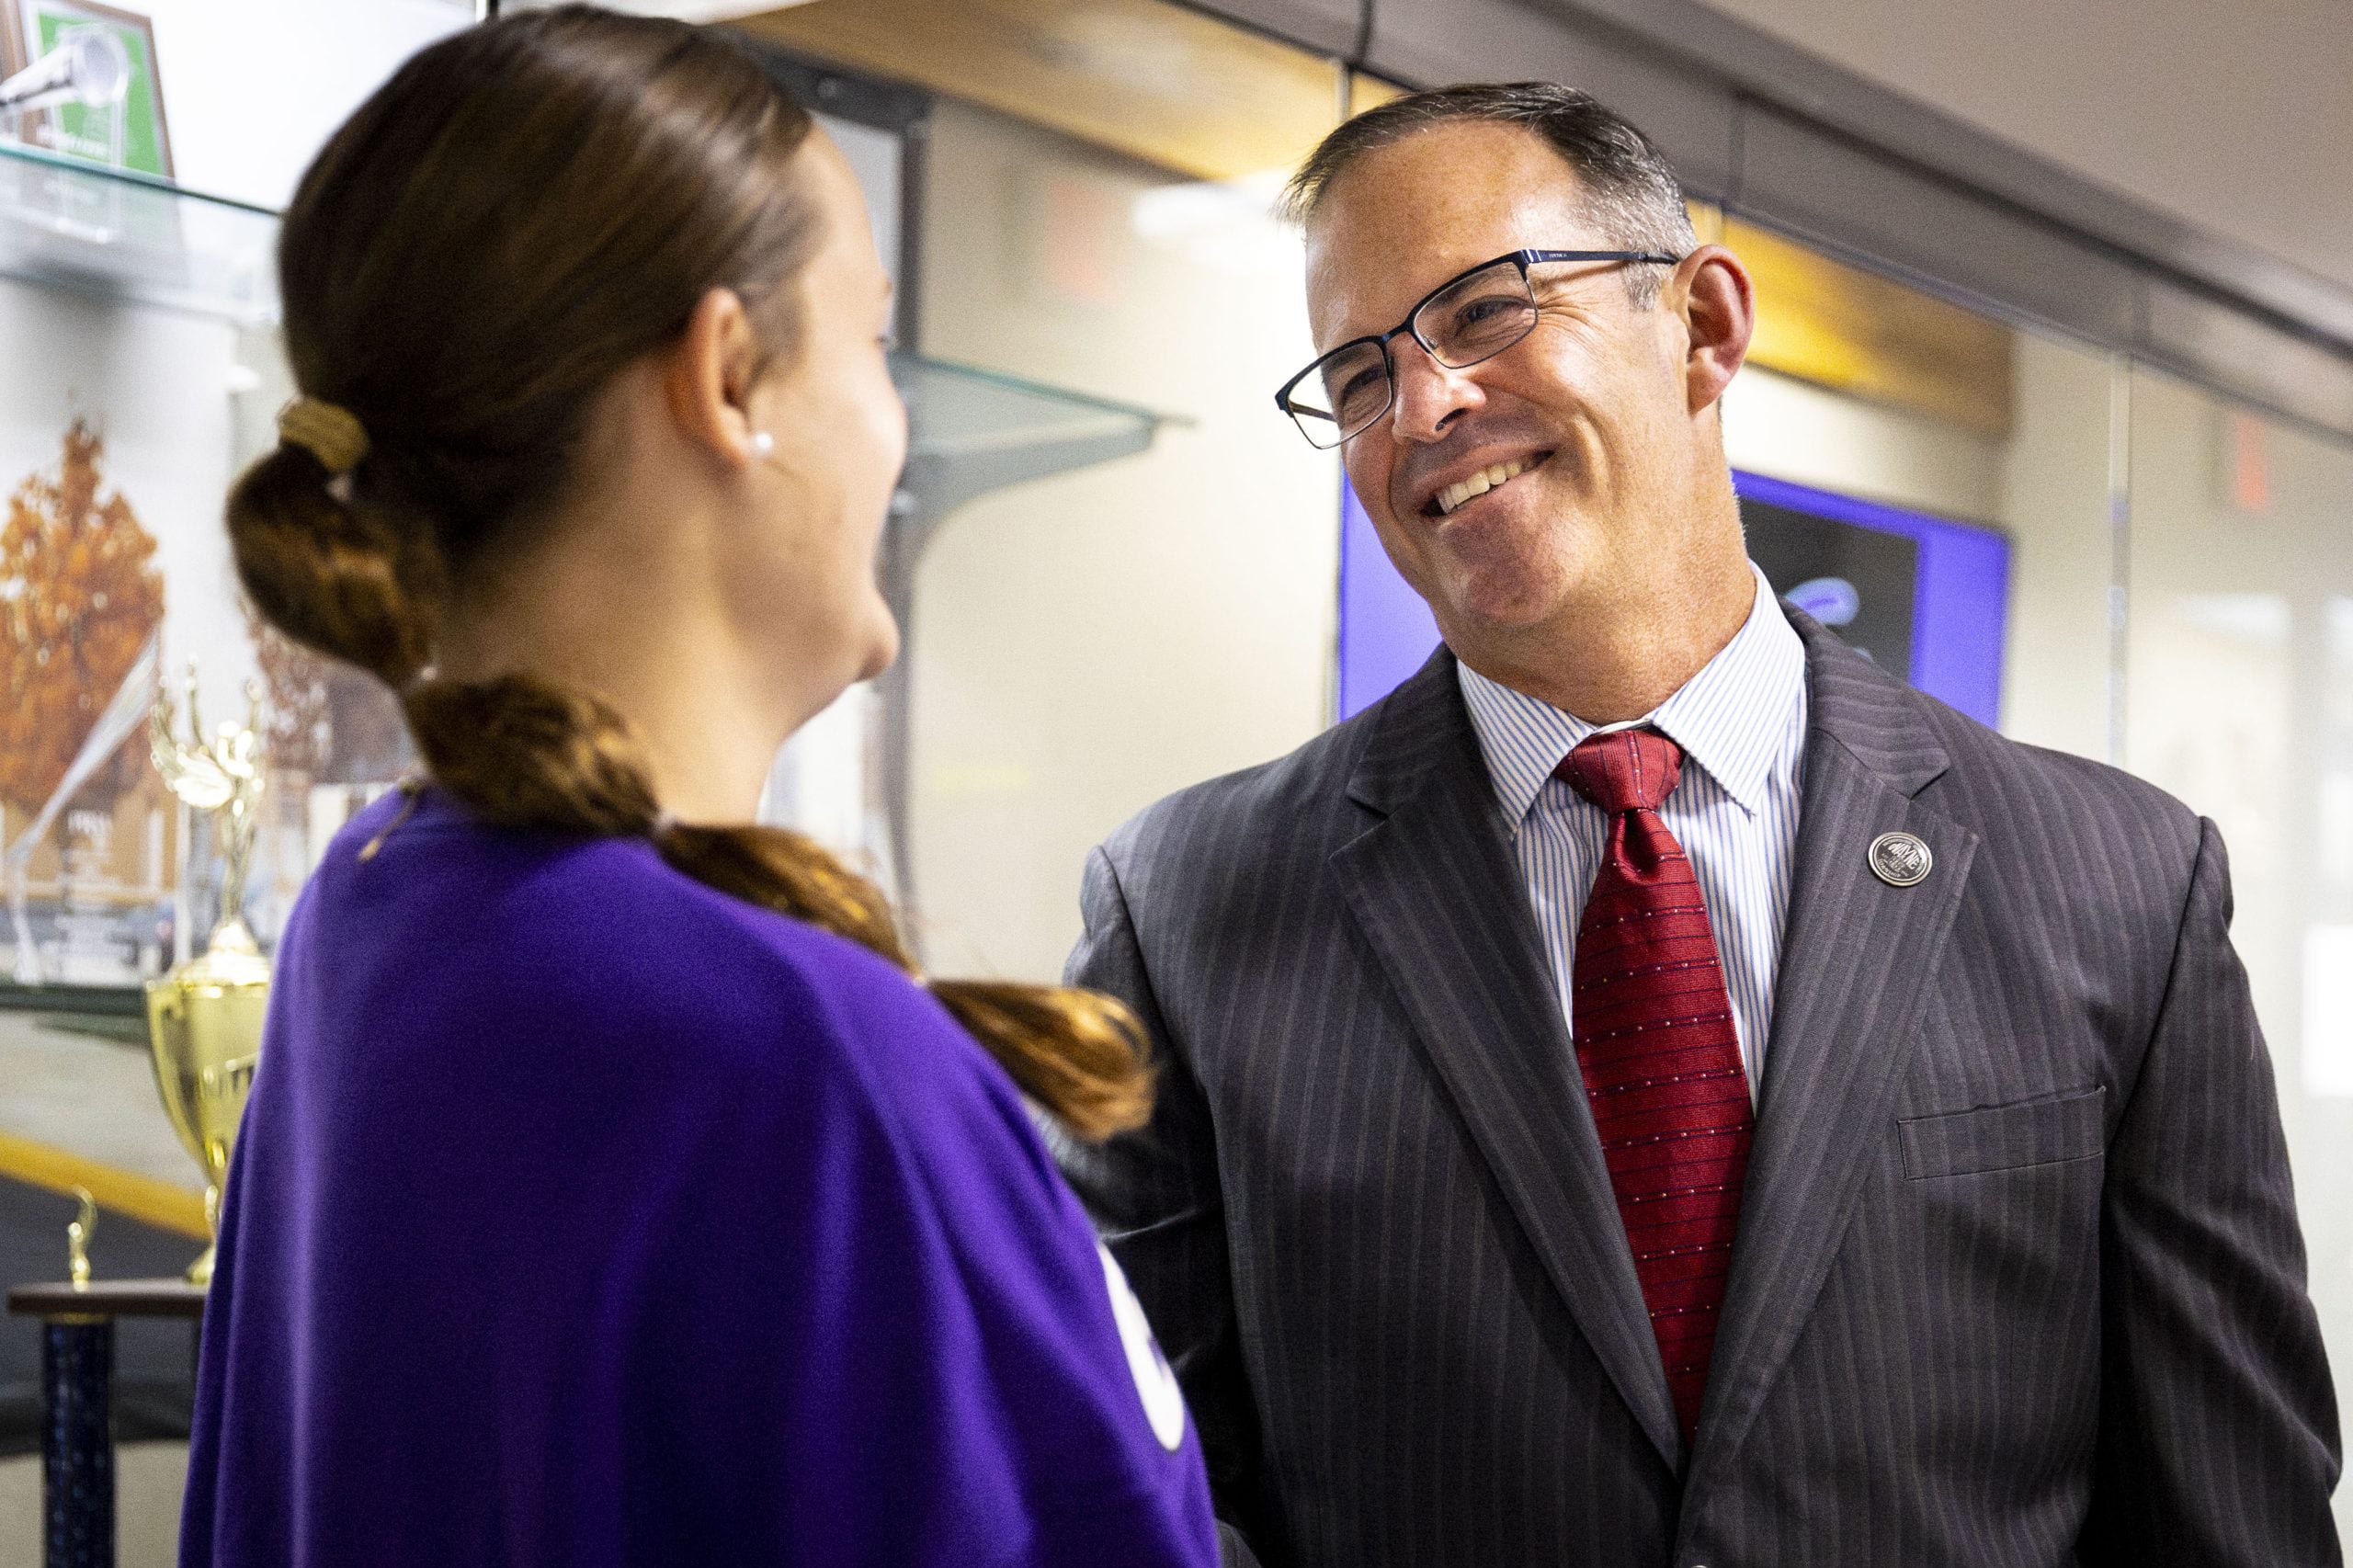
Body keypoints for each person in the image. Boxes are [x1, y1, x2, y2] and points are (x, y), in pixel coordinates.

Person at [1054, 81, 2341, 1568]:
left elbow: (2235, 1522)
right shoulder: (1187, 908)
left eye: (1482, 311)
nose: (1422, 408)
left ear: (1707, 330)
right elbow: (1138, 1511)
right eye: (1356, 373)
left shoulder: (2119, 883)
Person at [179, 10, 1219, 1565]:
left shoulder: (376, 906)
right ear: (731, 377)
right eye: (872, 342)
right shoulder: (813, 1059)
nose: (895, 426)